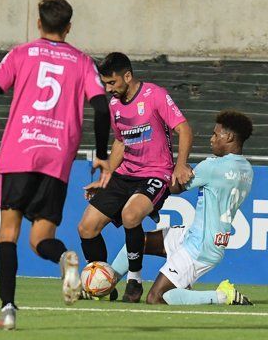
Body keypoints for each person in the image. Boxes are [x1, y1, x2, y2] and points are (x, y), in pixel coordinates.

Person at [0, 0, 110, 330]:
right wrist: (101, 153)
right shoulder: (83, 62)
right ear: (69, 27)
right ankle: (63, 258)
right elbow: (102, 108)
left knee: (9, 234)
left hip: (19, 152)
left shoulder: (22, 53)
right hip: (56, 158)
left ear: (39, 24)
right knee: (41, 237)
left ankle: (8, 310)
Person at [96, 110, 255, 305]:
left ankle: (223, 296)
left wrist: (168, 164)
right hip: (202, 238)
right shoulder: (247, 169)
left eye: (216, 134)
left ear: (229, 136)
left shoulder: (213, 166)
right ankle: (104, 283)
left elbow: (174, 186)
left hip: (199, 247)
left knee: (157, 297)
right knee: (139, 241)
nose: (211, 139)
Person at [77, 52, 193, 304]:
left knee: (131, 216)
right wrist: (106, 176)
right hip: (125, 174)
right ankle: (102, 282)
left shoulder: (155, 95)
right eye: (104, 83)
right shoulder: (115, 106)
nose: (108, 89)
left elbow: (183, 128)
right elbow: (121, 141)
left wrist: (180, 165)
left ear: (127, 76)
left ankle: (134, 280)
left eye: (112, 83)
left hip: (155, 173)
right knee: (86, 227)